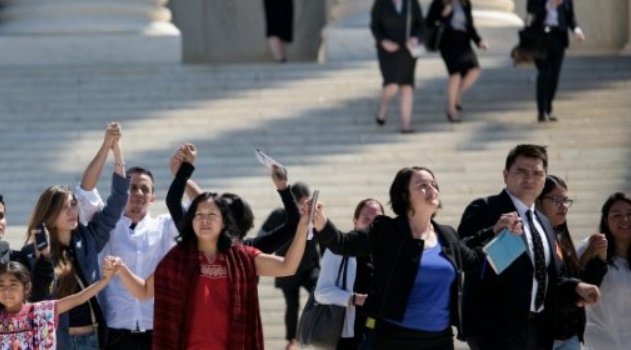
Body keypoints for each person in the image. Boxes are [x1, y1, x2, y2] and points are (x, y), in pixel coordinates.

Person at [112, 157, 311, 349]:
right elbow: (145, 291)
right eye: (199, 215)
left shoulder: (242, 256)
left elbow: (288, 266)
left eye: (212, 215)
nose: (204, 220)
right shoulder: (179, 258)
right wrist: (122, 269)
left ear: (225, 222)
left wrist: (302, 229)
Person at [313, 166, 499, 350]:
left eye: (433, 184)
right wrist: (321, 222)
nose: (431, 189)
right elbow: (343, 243)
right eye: (422, 185)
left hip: (440, 339)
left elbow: (474, 261)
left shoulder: (447, 234)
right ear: (404, 196)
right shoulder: (386, 231)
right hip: (395, 339)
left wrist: (501, 234)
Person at [457, 144, 600, 350]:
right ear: (506, 175)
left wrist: (577, 286)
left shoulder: (543, 222)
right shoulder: (485, 209)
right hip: (495, 331)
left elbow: (552, 275)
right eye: (521, 171)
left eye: (537, 173)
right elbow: (466, 259)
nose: (530, 179)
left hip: (538, 329)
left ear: (544, 179)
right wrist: (496, 235)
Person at [75, 128, 203, 349]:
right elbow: (85, 190)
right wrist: (107, 146)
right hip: (114, 330)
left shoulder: (165, 225)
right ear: (124, 191)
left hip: (157, 329)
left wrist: (181, 176)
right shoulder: (106, 221)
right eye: (132, 187)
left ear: (153, 197)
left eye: (145, 189)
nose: (138, 193)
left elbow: (202, 206)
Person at [23, 133, 129, 350]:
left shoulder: (88, 238)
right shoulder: (34, 252)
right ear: (49, 213)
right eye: (64, 207)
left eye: (73, 205)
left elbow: (117, 202)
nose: (72, 211)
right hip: (55, 340)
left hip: (92, 336)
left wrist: (115, 151)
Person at [535, 175, 608, 350]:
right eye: (556, 199)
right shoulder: (530, 237)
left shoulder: (561, 237)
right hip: (541, 336)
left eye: (566, 200)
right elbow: (546, 285)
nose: (564, 206)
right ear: (538, 202)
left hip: (570, 335)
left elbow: (581, 286)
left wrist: (596, 256)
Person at [314, 198, 384, 350]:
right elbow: (321, 292)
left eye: (377, 220)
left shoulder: (388, 253)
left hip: (381, 332)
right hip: (348, 333)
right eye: (366, 218)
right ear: (355, 221)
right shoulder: (339, 249)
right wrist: (354, 299)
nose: (371, 224)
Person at [257, 182, 320, 350]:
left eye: (306, 202)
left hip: (309, 267)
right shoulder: (279, 215)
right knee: (292, 305)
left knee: (319, 292)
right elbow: (262, 235)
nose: (303, 207)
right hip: (286, 268)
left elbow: (327, 239)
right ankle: (292, 340)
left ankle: (313, 331)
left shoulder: (314, 215)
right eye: (300, 203)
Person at [0, 259, 117, 349]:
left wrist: (105, 280)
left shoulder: (41, 312)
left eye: (13, 285)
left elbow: (79, 298)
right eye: (1, 285)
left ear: (26, 287)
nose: (6, 291)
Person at [578, 192, 631, 350]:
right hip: (599, 341)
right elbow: (575, 283)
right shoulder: (592, 245)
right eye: (616, 215)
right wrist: (591, 255)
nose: (625, 220)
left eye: (629, 214)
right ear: (606, 221)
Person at [426, 0, 488, 123]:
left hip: (463, 41)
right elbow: (429, 22)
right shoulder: (439, 3)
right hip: (448, 42)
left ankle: (457, 97)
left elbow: (469, 26)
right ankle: (451, 109)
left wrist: (479, 41)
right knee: (455, 74)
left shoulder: (465, 3)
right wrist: (443, 15)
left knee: (474, 70)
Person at [526, 0, 585, 122]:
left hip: (558, 38)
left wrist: (577, 30)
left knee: (554, 75)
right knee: (544, 73)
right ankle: (541, 111)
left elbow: (570, 17)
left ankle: (548, 108)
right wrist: (550, 4)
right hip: (541, 38)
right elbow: (531, 10)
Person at [371, 0, 424, 133]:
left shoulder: (412, 3)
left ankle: (405, 126)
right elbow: (375, 26)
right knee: (392, 85)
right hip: (387, 51)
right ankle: (383, 106)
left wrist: (415, 38)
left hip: (407, 50)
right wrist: (383, 41)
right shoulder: (380, 3)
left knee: (407, 86)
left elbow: (421, 25)